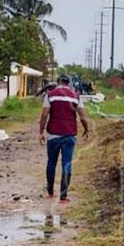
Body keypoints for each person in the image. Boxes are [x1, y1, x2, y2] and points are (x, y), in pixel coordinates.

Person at [39, 75, 91, 204]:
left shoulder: (50, 95)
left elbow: (44, 114)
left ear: (58, 82)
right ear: (69, 83)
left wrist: (41, 132)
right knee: (67, 163)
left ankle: (50, 192)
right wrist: (86, 130)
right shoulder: (76, 96)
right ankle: (63, 197)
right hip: (69, 134)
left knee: (51, 162)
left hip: (53, 135)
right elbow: (83, 116)